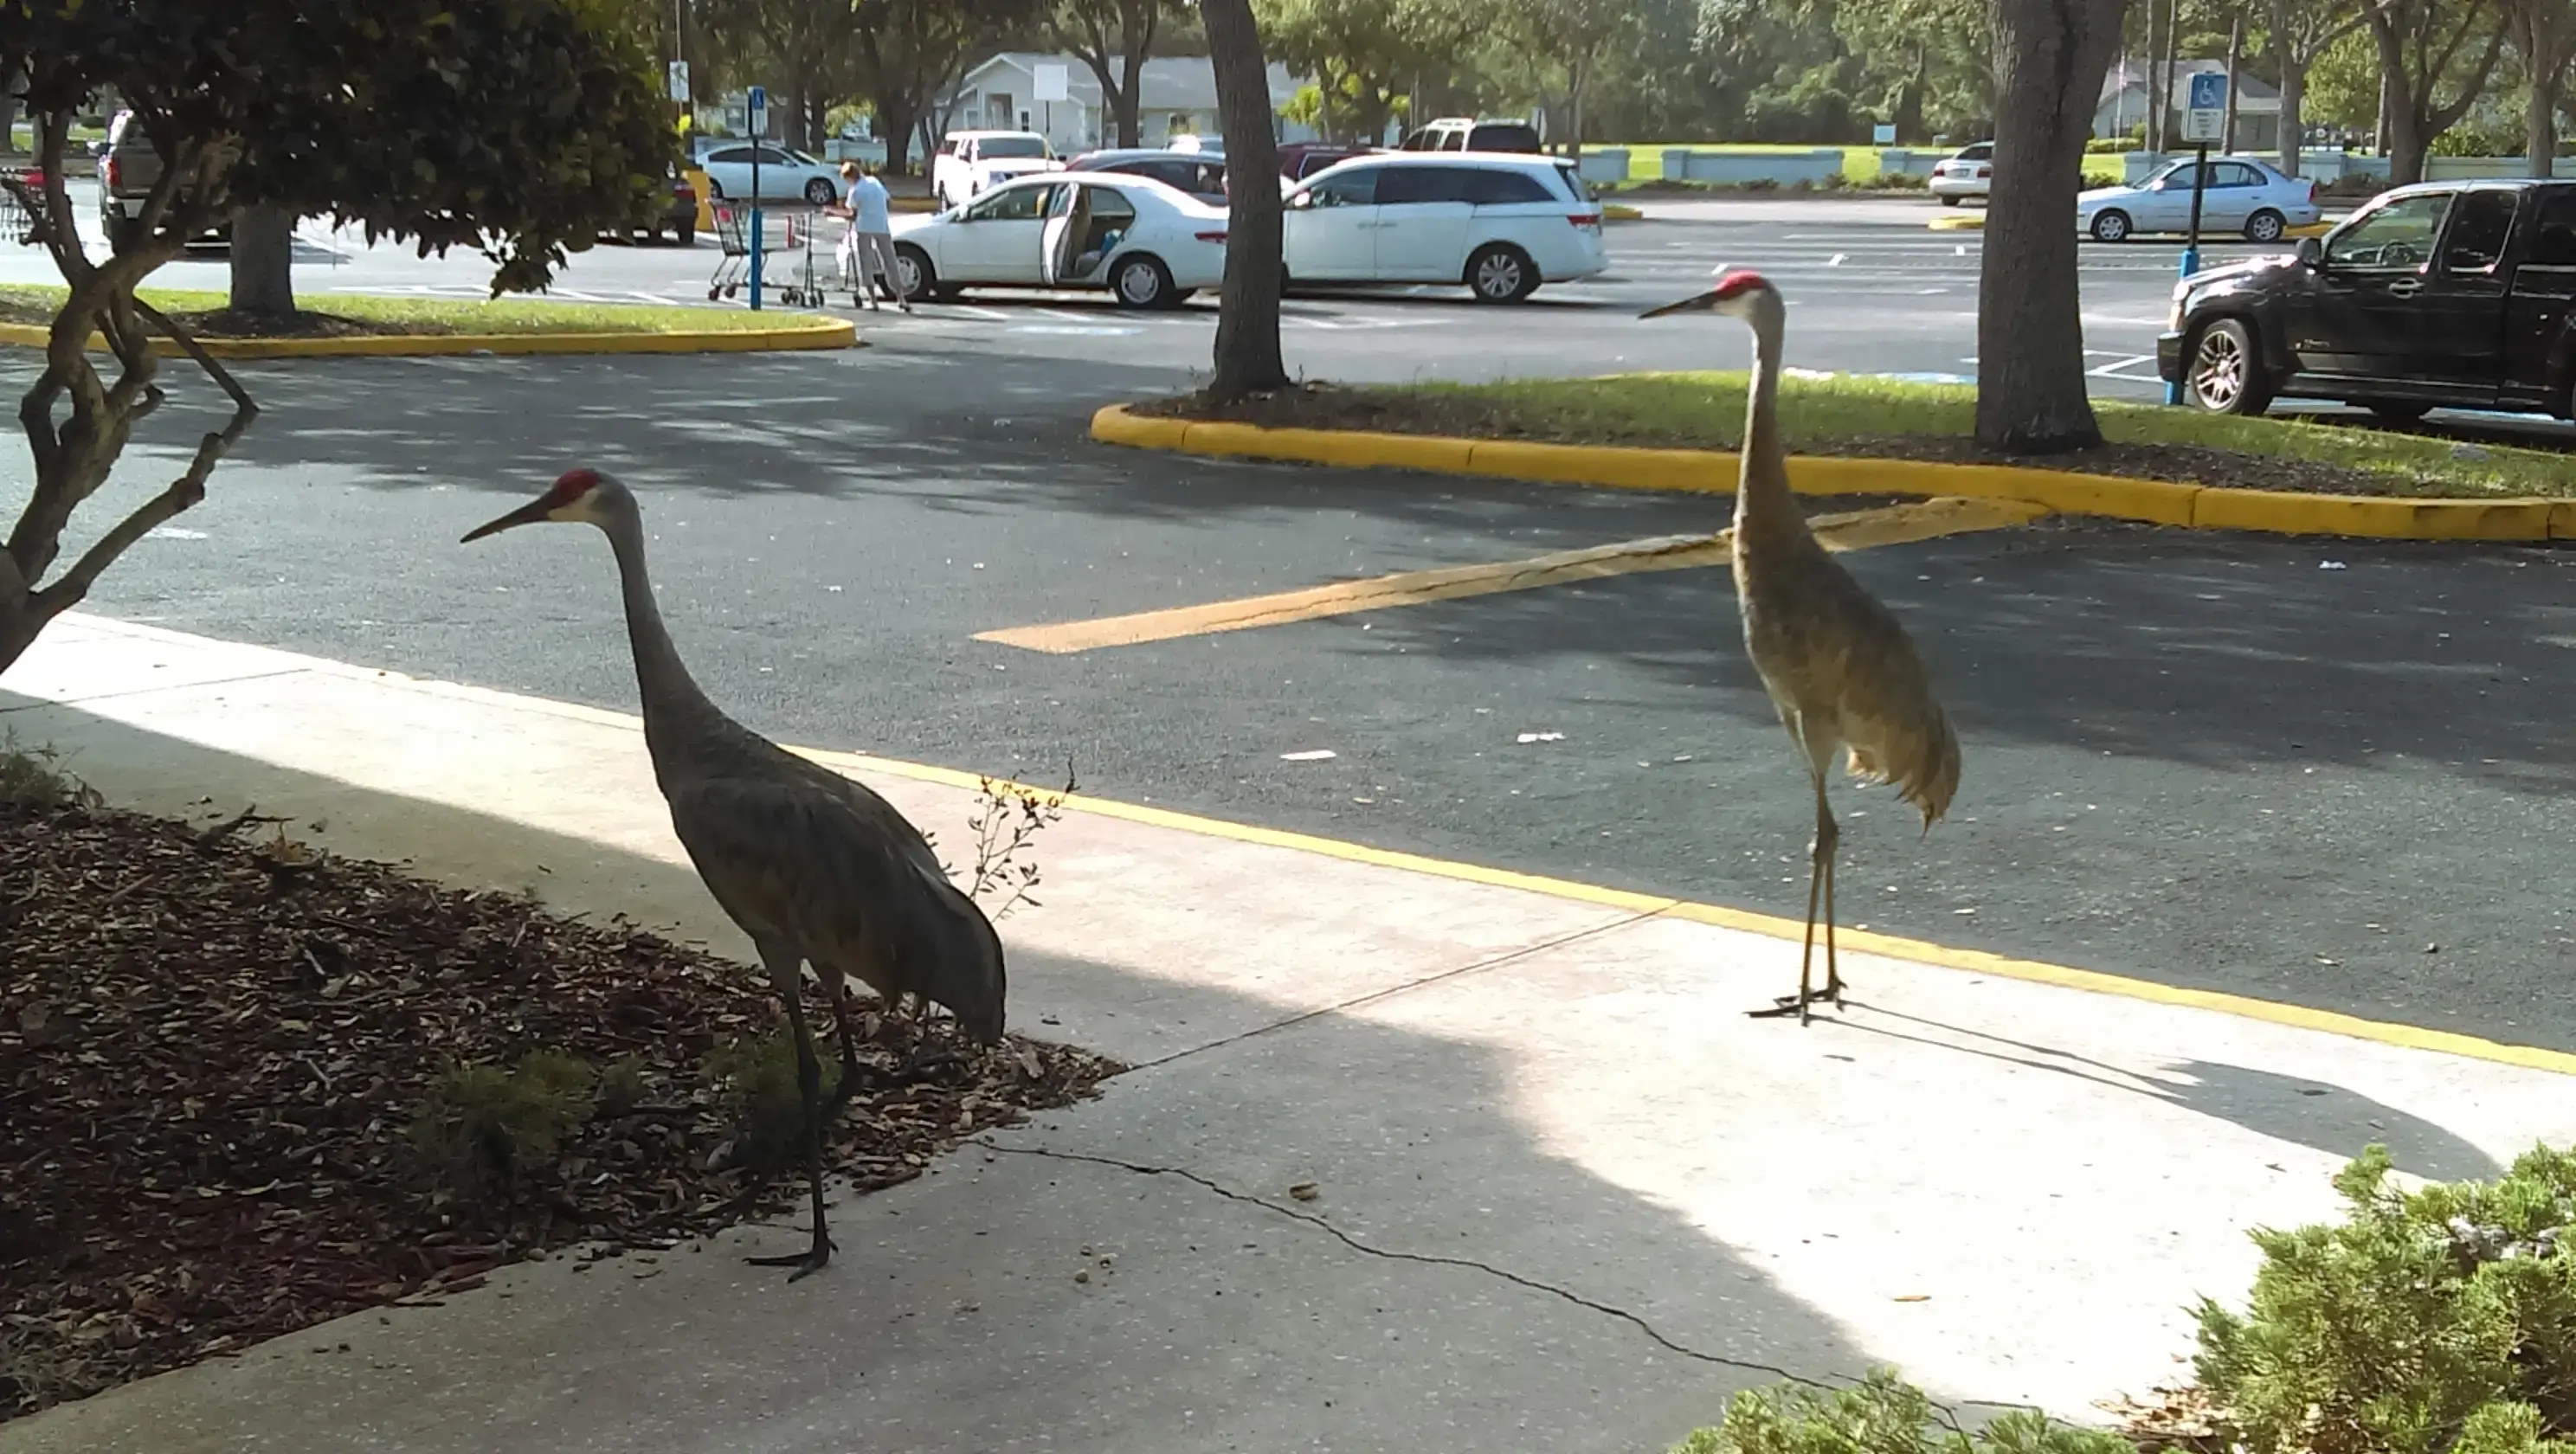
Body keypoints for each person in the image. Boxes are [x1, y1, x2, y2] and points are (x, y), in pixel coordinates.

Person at [834, 160, 906, 312]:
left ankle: (873, 301)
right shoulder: (874, 181)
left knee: (866, 263)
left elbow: (851, 214)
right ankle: (901, 298)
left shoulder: (855, 191)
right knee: (890, 262)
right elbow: (888, 202)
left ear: (849, 178)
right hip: (882, 226)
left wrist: (832, 212)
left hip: (864, 227)